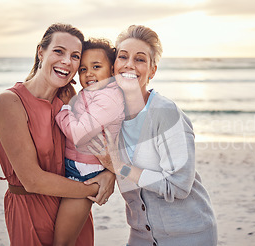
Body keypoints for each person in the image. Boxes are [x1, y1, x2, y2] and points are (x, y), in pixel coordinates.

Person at [89, 25, 218, 246]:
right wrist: (110, 172)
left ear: (152, 71)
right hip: (141, 234)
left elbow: (178, 186)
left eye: (140, 59)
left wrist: (120, 168)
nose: (129, 64)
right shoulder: (111, 117)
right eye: (123, 57)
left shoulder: (166, 114)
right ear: (113, 67)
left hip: (188, 235)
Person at [0, 23, 115, 246]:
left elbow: (103, 145)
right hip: (31, 212)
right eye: (59, 51)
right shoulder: (9, 102)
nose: (67, 61)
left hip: (73, 210)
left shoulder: (72, 101)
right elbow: (32, 181)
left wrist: (110, 174)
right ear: (41, 52)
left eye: (75, 56)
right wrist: (95, 188)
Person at [53, 38, 125, 245]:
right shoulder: (96, 93)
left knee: (62, 241)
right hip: (78, 166)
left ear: (112, 70)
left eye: (96, 67)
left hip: (84, 173)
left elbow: (78, 134)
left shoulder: (108, 98)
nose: (88, 74)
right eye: (83, 69)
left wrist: (65, 108)